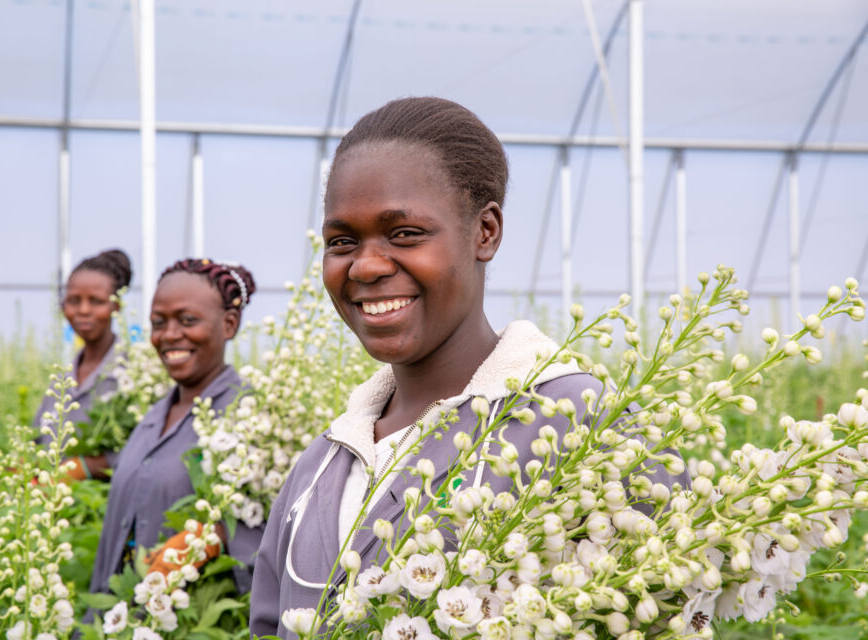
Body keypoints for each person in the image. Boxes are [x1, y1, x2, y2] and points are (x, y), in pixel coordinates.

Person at [249, 97, 689, 638]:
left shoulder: (583, 424)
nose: (364, 265)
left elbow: (667, 612)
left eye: (405, 233)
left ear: (485, 231)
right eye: (342, 241)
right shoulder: (321, 465)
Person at [88, 259, 263, 597]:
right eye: (158, 322)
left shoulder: (251, 416)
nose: (169, 335)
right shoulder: (153, 415)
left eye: (187, 321)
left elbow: (279, 528)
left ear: (229, 324)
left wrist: (211, 538)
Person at [33, 248, 132, 480]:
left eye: (96, 301)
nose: (83, 310)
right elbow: (38, 439)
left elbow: (143, 448)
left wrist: (83, 467)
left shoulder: (134, 373)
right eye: (74, 301)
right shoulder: (62, 378)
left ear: (116, 307)